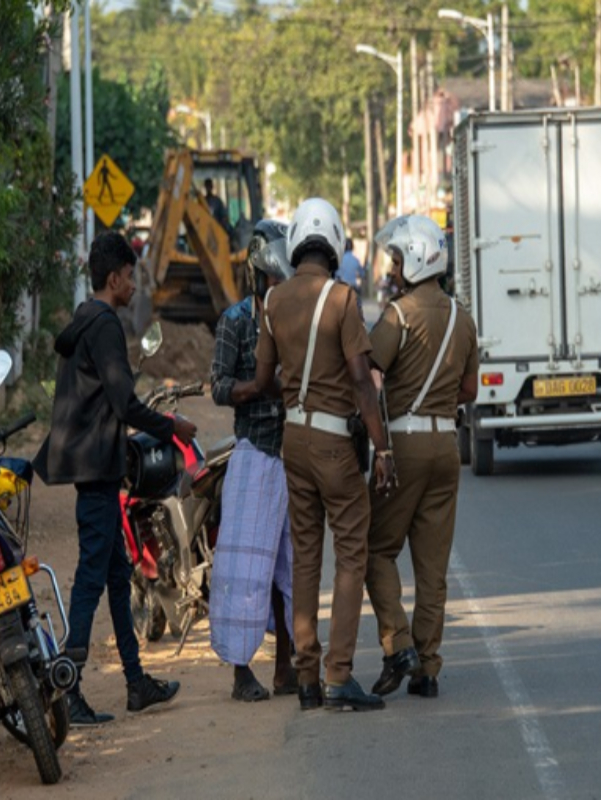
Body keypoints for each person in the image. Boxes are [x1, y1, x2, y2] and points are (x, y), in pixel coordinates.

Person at [33, 231, 195, 727]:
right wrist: (172, 427)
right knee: (90, 579)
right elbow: (125, 403)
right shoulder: (104, 327)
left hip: (93, 468)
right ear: (112, 278)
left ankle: (135, 682)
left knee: (116, 576)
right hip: (97, 471)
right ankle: (68, 690)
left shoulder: (84, 320)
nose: (133, 285)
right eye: (129, 277)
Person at [252, 197, 396, 712]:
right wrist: (382, 447)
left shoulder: (273, 301)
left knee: (306, 554)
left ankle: (307, 678)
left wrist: (299, 396)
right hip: (336, 443)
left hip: (293, 440)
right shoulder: (342, 298)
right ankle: (339, 675)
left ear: (295, 244)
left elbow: (264, 380)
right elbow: (361, 380)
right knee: (352, 551)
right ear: (334, 244)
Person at [364, 215, 478, 700]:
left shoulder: (398, 315)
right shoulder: (462, 318)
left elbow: (369, 378)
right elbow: (469, 391)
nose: (392, 269)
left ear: (413, 259)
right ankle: (428, 670)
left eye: (395, 260)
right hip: (446, 448)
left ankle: (399, 643)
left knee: (375, 549)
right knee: (433, 568)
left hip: (404, 446)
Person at [208, 220, 298, 703]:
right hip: (254, 454)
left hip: (292, 456)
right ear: (258, 276)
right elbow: (220, 386)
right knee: (244, 570)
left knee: (290, 569)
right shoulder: (236, 321)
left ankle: (285, 669)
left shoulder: (292, 319)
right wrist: (259, 388)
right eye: (272, 277)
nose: (278, 284)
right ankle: (241, 672)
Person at [335, 237, 366, 314]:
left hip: (342, 286)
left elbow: (337, 274)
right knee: (358, 307)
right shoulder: (355, 260)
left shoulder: (340, 260)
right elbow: (362, 274)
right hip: (353, 287)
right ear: (352, 247)